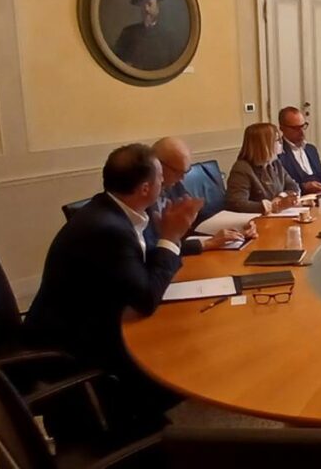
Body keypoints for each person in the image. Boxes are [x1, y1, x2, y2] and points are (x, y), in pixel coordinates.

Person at [24, 144, 201, 421]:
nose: (165, 183)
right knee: (189, 361)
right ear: (145, 188)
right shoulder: (107, 229)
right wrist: (170, 237)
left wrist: (171, 238)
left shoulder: (110, 209)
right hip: (78, 347)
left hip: (90, 319)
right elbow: (145, 299)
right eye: (160, 178)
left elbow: (138, 261)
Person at [151, 137, 256, 254]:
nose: (182, 178)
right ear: (157, 164)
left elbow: (197, 216)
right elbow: (153, 247)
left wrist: (239, 226)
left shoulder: (173, 184)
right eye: (177, 172)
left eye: (186, 171)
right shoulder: (143, 197)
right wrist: (205, 243)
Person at [225, 123, 299, 214]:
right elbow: (237, 203)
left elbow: (293, 187)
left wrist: (280, 197)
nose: (281, 143)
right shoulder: (242, 168)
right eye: (277, 140)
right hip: (253, 219)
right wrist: (270, 206)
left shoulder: (275, 163)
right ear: (264, 145)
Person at [114, 0, 180, 70]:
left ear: (157, 6)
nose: (146, 9)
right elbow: (118, 63)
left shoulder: (169, 36)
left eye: (149, 4)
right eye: (142, 5)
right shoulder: (128, 33)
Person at [277, 106, 321, 193]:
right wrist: (303, 187)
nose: (302, 132)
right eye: (296, 128)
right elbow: (280, 187)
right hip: (299, 197)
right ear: (282, 128)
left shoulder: (311, 149)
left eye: (303, 126)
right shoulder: (279, 154)